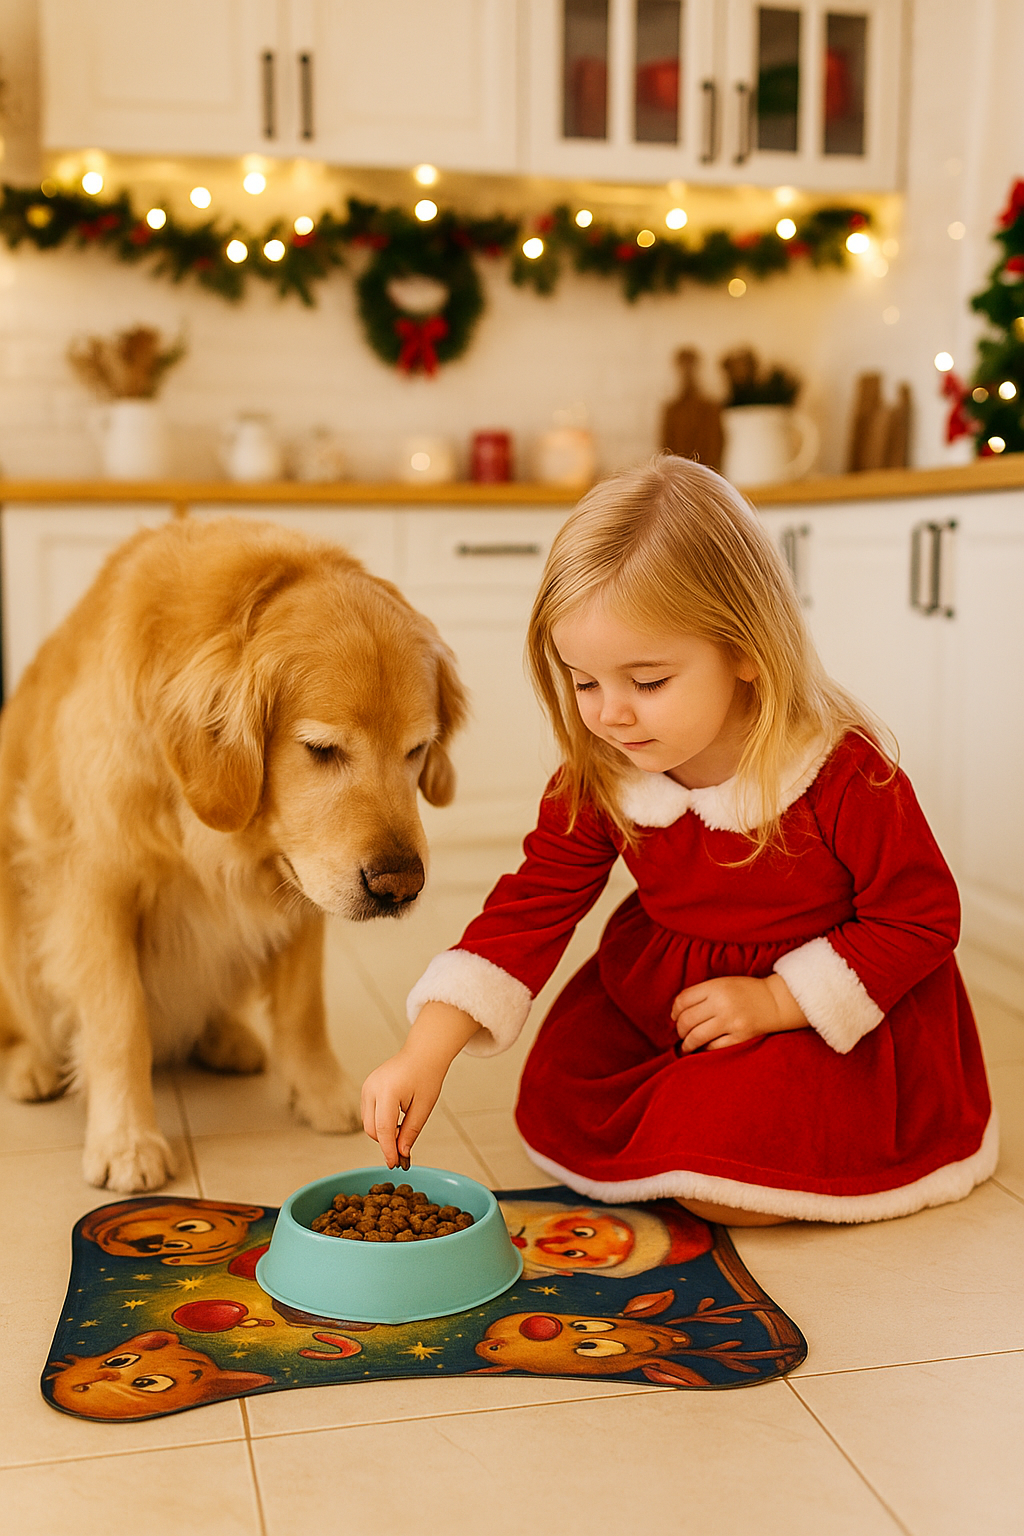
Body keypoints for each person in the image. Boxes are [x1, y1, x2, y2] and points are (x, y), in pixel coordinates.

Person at [361, 457, 996, 1226]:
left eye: (648, 682)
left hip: (823, 1009)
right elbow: (532, 907)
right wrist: (424, 1048)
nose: (609, 716)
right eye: (584, 682)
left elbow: (920, 918)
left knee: (717, 1169)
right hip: (675, 1000)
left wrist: (776, 1000)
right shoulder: (603, 773)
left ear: (747, 651)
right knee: (565, 1082)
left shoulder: (841, 773)